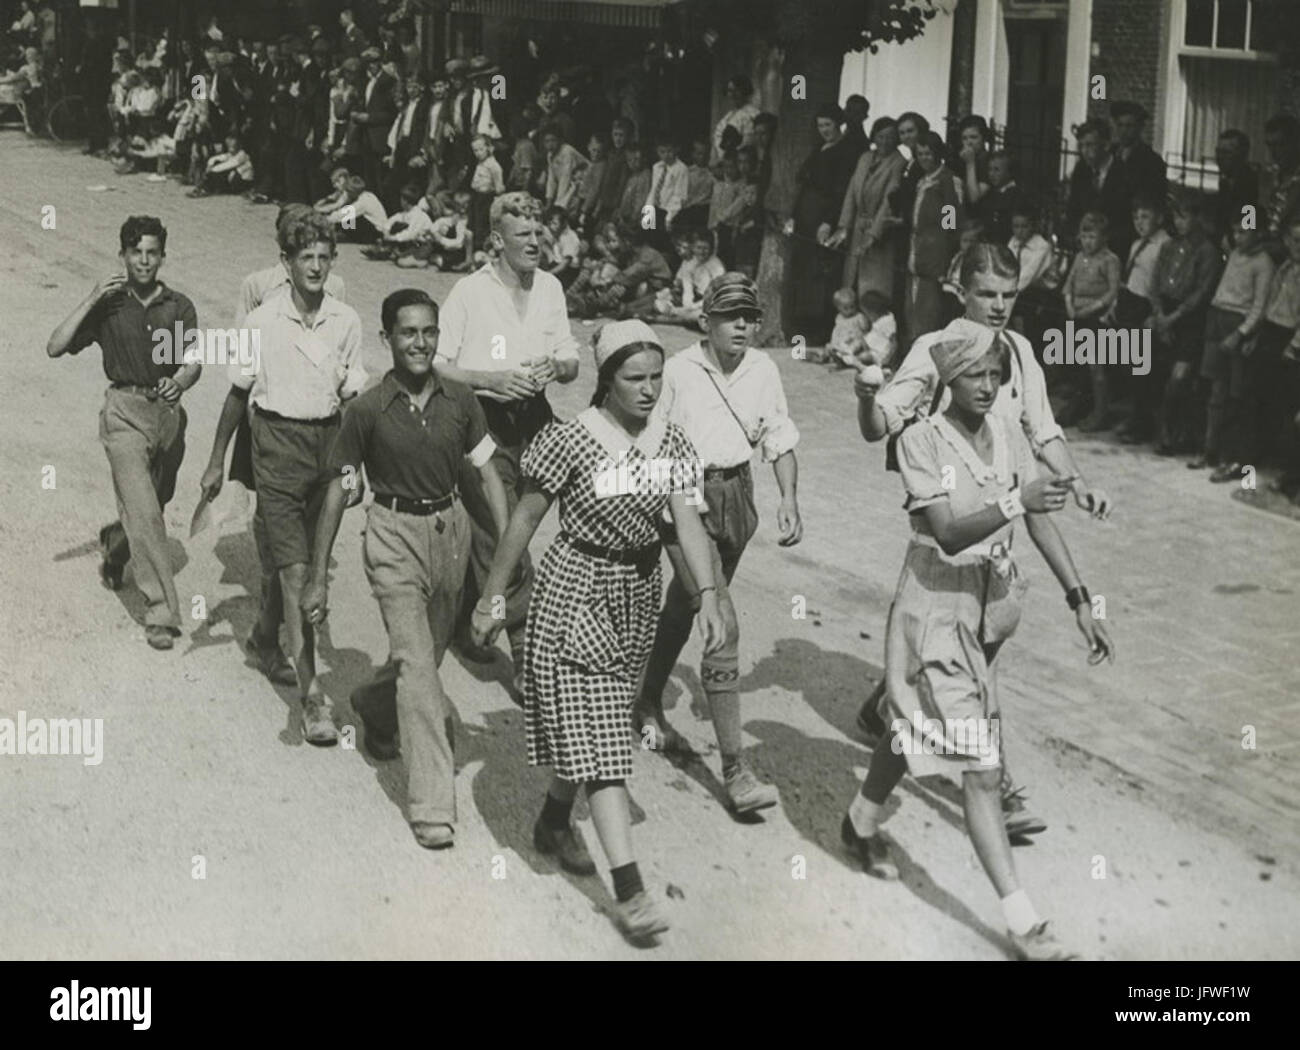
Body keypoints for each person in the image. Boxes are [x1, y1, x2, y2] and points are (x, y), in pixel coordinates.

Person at [840, 320, 1114, 961]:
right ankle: (1026, 925)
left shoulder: (1011, 434)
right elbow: (948, 532)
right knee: (983, 772)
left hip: (988, 605)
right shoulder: (922, 441)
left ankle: (859, 822)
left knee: (913, 729)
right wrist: (1017, 501)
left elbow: (1039, 518)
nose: (989, 387)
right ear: (946, 381)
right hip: (933, 608)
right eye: (974, 377)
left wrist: (1080, 600)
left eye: (997, 376)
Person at [470, 320, 726, 941]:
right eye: (633, 379)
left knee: (594, 727)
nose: (647, 390)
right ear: (605, 382)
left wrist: (709, 594)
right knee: (605, 742)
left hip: (634, 599)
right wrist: (492, 599)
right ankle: (632, 892)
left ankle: (555, 820)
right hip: (575, 591)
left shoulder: (671, 443)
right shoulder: (571, 440)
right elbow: (524, 523)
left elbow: (684, 524)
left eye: (656, 378)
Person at [853, 245, 1113, 835]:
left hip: (996, 548)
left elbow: (1043, 436)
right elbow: (879, 427)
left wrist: (1080, 485)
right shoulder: (932, 350)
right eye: (986, 294)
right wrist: (866, 397)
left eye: (1008, 294)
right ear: (959, 289)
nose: (998, 306)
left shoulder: (1019, 355)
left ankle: (887, 707)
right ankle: (996, 788)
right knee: (970, 674)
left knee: (951, 669)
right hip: (946, 540)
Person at [306, 289, 509, 850]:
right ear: (387, 338)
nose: (419, 343)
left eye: (428, 332)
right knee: (422, 672)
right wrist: (317, 572)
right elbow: (340, 489)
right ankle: (431, 805)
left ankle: (373, 703)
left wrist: (503, 557)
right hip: (392, 535)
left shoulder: (463, 401)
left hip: (451, 533)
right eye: (407, 333)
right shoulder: (367, 410)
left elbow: (489, 474)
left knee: (426, 654)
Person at [634, 272, 801, 815]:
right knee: (719, 620)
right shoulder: (679, 370)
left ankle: (645, 702)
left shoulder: (763, 369)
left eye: (750, 318)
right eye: (731, 317)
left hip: (737, 497)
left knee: (684, 606)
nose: (743, 327)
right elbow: (649, 438)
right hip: (684, 498)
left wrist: (788, 499)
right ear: (705, 321)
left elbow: (778, 434)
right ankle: (736, 770)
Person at [199, 212, 366, 744]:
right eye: (305, 258)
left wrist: (356, 463)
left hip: (329, 446)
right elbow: (235, 395)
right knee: (299, 575)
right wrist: (216, 460)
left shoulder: (346, 321)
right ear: (286, 264)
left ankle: (266, 638)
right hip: (276, 446)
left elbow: (353, 399)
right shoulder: (261, 322)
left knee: (309, 564)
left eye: (324, 257)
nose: (315, 267)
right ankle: (313, 699)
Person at [435, 192, 580, 683]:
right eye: (524, 236)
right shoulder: (468, 293)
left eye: (540, 234)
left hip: (536, 420)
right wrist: (491, 379)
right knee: (501, 531)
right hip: (483, 421)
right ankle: (527, 656)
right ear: (497, 240)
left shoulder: (551, 290)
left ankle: (461, 620)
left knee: (526, 527)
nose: (536, 244)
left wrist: (555, 366)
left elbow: (571, 361)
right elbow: (437, 365)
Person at [46, 216, 201, 651]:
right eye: (137, 252)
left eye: (153, 253)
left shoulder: (178, 306)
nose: (145, 260)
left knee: (152, 502)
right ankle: (162, 613)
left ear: (162, 257)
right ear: (123, 255)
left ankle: (116, 544)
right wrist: (92, 295)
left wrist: (182, 381)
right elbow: (55, 345)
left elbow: (191, 360)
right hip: (123, 415)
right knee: (147, 512)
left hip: (168, 414)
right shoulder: (109, 306)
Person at [1192, 220, 1274, 481]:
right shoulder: (1235, 254)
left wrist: (1241, 334)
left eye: (1245, 232)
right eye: (1236, 231)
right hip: (1218, 319)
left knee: (1236, 396)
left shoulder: (1264, 263)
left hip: (1238, 326)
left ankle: (1234, 457)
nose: (1239, 237)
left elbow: (1259, 306)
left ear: (1259, 233)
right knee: (1216, 392)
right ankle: (1210, 449)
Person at [1150, 192, 1221, 457]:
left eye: (1185, 216)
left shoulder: (1207, 251)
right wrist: (1159, 313)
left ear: (1198, 218)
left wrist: (1172, 318)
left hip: (1189, 320)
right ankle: (1154, 425)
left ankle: (1174, 430)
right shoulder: (1168, 247)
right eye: (1176, 217)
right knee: (1142, 361)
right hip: (1164, 314)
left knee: (1180, 377)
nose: (1179, 223)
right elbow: (1155, 283)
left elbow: (1201, 293)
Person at [784, 104, 860, 343]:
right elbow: (804, 186)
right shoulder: (819, 148)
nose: (824, 130)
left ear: (839, 124)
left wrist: (829, 221)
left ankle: (820, 330)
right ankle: (801, 327)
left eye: (828, 125)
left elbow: (841, 192)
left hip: (824, 219)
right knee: (803, 273)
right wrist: (793, 216)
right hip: (806, 217)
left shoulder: (846, 152)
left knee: (821, 275)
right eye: (820, 125)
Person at [828, 116, 906, 308]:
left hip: (879, 232)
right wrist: (844, 226)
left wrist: (873, 234)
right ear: (873, 136)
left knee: (874, 286)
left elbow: (889, 200)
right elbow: (851, 193)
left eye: (890, 137)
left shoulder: (899, 162)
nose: (885, 141)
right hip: (857, 228)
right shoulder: (865, 158)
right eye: (880, 136)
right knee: (851, 281)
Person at [1115, 196, 1171, 444]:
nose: (1139, 222)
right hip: (1130, 303)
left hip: (1146, 307)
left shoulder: (1164, 245)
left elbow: (1159, 284)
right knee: (1131, 364)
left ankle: (1143, 423)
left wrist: (1154, 313)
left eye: (1145, 216)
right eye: (1136, 217)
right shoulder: (1137, 243)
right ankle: (1134, 417)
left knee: (1144, 368)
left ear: (1159, 217)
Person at [1060, 211, 1121, 430]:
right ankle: (1078, 407)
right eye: (1084, 237)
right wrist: (1069, 304)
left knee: (1096, 367)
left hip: (1097, 319)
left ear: (1103, 237)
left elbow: (1112, 292)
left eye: (1092, 237)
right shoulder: (1079, 257)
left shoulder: (1110, 260)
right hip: (1077, 317)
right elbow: (1068, 285)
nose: (1087, 242)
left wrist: (1091, 309)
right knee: (1078, 365)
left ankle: (1101, 412)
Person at [905, 130, 964, 343]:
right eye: (920, 154)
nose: (924, 159)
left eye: (928, 154)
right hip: (917, 252)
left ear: (937, 153)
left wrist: (943, 257)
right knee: (912, 309)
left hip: (934, 256)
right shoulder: (922, 180)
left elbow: (951, 223)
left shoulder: (947, 181)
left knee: (928, 314)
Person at [1110, 101, 1166, 211]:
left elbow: (1153, 200)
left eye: (1129, 126)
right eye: (1120, 125)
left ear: (1140, 128)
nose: (1123, 131)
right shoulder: (1109, 154)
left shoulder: (1151, 161)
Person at [711, 75, 759, 165]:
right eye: (729, 91)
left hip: (740, 162)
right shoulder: (728, 116)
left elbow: (748, 142)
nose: (731, 95)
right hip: (724, 162)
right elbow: (718, 137)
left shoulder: (752, 114)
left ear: (744, 91)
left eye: (736, 91)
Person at [189, 131, 254, 197]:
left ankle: (205, 188)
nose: (230, 148)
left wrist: (211, 170)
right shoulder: (231, 154)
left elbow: (228, 165)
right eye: (229, 146)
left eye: (232, 146)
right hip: (235, 179)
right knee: (217, 164)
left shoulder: (242, 155)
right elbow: (214, 158)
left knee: (219, 171)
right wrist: (210, 165)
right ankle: (204, 188)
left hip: (244, 182)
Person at [542, 121, 588, 212]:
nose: (550, 144)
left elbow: (565, 177)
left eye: (553, 140)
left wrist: (558, 204)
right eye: (547, 141)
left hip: (583, 181)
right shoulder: (550, 155)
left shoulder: (567, 151)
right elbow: (552, 179)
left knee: (564, 206)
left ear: (560, 140)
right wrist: (548, 202)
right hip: (570, 183)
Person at [952, 114, 992, 209]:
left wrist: (970, 164)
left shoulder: (988, 160)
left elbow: (974, 198)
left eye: (974, 137)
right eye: (964, 138)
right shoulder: (960, 160)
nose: (969, 142)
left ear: (983, 138)